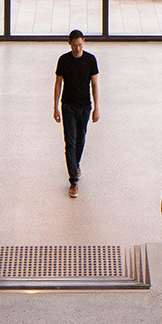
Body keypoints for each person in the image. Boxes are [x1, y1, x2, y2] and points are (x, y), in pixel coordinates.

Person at [53, 29, 99, 198]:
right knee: (70, 142)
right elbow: (58, 83)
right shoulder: (64, 60)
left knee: (81, 139)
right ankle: (73, 180)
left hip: (85, 106)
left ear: (83, 42)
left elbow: (94, 84)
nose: (78, 49)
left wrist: (96, 108)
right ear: (69, 44)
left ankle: (76, 164)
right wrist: (55, 107)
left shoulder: (90, 60)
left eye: (80, 45)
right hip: (68, 106)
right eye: (75, 46)